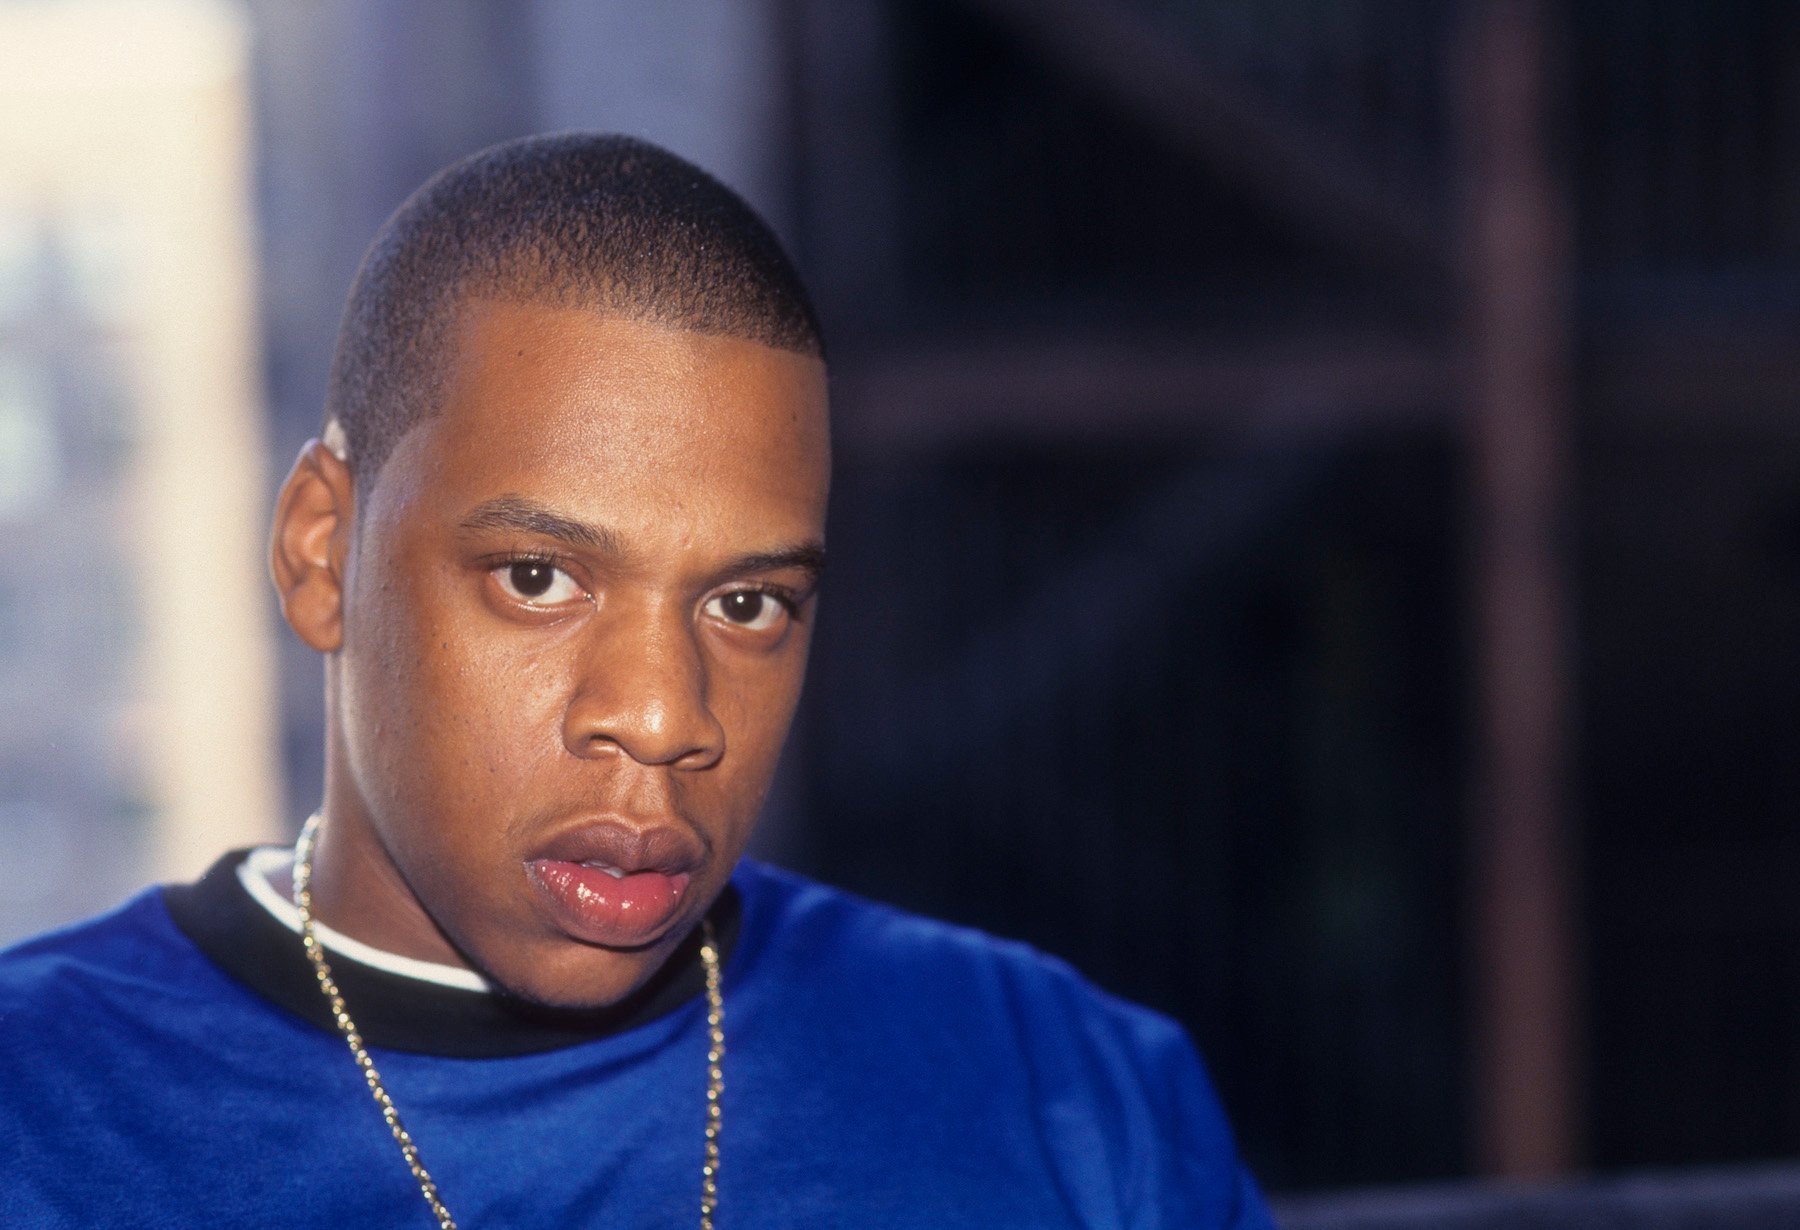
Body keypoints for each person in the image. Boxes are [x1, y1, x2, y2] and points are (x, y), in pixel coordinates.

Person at [0, 134, 1273, 1229]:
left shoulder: (1065, 1087)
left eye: (747, 603)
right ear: (322, 552)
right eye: (539, 579)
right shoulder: (34, 1110)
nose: (666, 719)